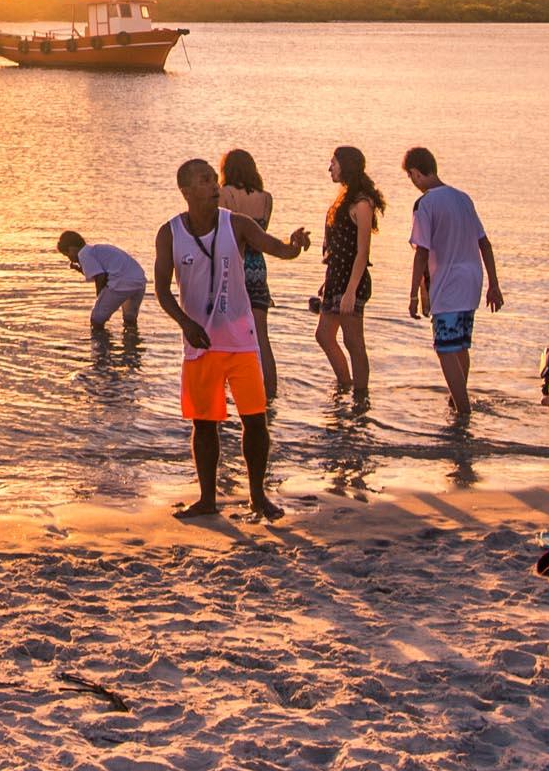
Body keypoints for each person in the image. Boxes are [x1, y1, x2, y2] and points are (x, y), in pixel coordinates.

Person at [155, 159, 281, 524]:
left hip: (241, 342)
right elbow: (162, 291)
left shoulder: (235, 222)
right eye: (204, 180)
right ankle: (207, 499)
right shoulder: (170, 233)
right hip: (200, 345)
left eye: (214, 179)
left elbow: (275, 247)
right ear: (186, 190)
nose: (214, 186)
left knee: (255, 421)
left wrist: (294, 246)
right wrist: (185, 323)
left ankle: (258, 497)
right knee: (204, 424)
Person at [402, 148, 504, 432]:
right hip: (472, 280)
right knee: (459, 345)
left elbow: (421, 252)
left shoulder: (426, 203)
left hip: (448, 282)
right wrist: (494, 285)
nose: (412, 181)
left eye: (411, 176)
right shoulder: (463, 198)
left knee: (445, 349)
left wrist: (413, 293)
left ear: (416, 172)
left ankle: (463, 411)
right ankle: (456, 402)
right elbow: (485, 243)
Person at [216, 148, 308, 410]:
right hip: (257, 267)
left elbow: (225, 233)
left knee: (223, 334)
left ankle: (221, 392)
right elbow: (260, 234)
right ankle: (270, 393)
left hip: (232, 267)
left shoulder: (224, 195)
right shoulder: (266, 198)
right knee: (261, 337)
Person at [309, 149, 386, 401]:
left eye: (333, 163)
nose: (330, 168)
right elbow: (338, 246)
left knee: (354, 342)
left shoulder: (362, 203)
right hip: (336, 277)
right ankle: (345, 385)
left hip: (352, 280)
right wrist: (328, 280)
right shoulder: (344, 198)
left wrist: (350, 291)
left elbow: (362, 252)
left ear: (345, 165)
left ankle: (361, 397)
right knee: (324, 335)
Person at [57, 230, 144, 343]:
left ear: (72, 248)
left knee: (96, 320)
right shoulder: (95, 250)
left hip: (120, 283)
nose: (69, 258)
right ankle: (131, 349)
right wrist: (78, 268)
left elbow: (100, 276)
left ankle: (102, 354)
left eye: (67, 254)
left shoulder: (83, 254)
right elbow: (98, 272)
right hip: (139, 281)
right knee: (129, 320)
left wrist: (100, 295)